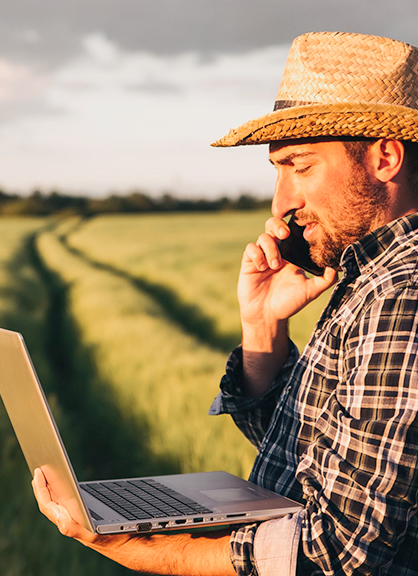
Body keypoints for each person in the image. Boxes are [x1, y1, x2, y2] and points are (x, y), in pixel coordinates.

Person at [32, 31, 418, 575]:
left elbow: (336, 554)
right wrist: (262, 328)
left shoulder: (403, 299)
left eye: (300, 166)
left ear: (384, 157)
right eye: (277, 170)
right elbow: (312, 464)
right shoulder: (366, 278)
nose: (281, 202)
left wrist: (129, 548)